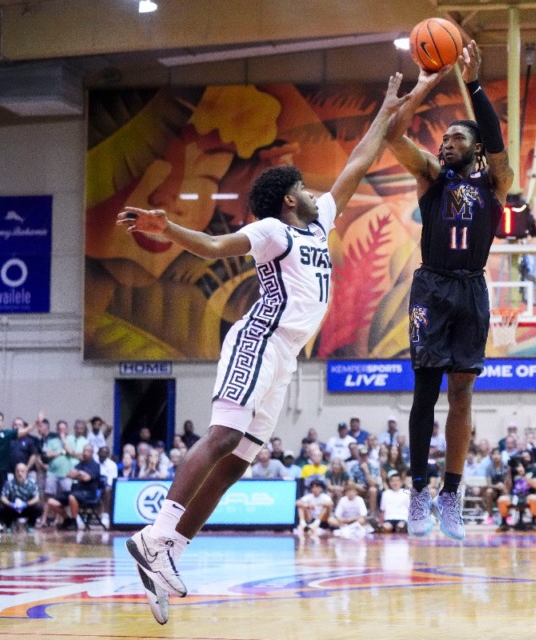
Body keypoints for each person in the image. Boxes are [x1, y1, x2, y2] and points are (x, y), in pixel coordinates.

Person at [119, 73, 410, 624]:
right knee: (223, 435)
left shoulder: (318, 222)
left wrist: (394, 106)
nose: (310, 188)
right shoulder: (271, 231)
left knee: (238, 462)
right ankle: (155, 534)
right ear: (288, 197)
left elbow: (360, 161)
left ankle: (171, 551)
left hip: (287, 357)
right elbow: (210, 247)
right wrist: (168, 226)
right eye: (300, 184)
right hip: (258, 339)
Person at [384, 41, 513, 542]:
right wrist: (426, 83)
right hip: (432, 286)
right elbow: (394, 135)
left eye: (457, 138)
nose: (446, 143)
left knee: (463, 391)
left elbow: (497, 141)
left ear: (475, 148)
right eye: (444, 138)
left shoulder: (495, 182)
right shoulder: (429, 177)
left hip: (472, 289)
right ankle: (419, 488)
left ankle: (450, 493)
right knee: (425, 388)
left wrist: (474, 83)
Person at [0, 462, 42, 531]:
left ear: (26, 472)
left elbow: (36, 498)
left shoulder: (32, 483)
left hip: (26, 507)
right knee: (1, 508)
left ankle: (30, 524)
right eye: (17, 471)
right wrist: (10, 504)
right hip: (13, 508)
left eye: (22, 471)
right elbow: (2, 497)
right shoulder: (9, 483)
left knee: (38, 508)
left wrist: (26, 504)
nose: (20, 473)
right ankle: (9, 524)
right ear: (15, 472)